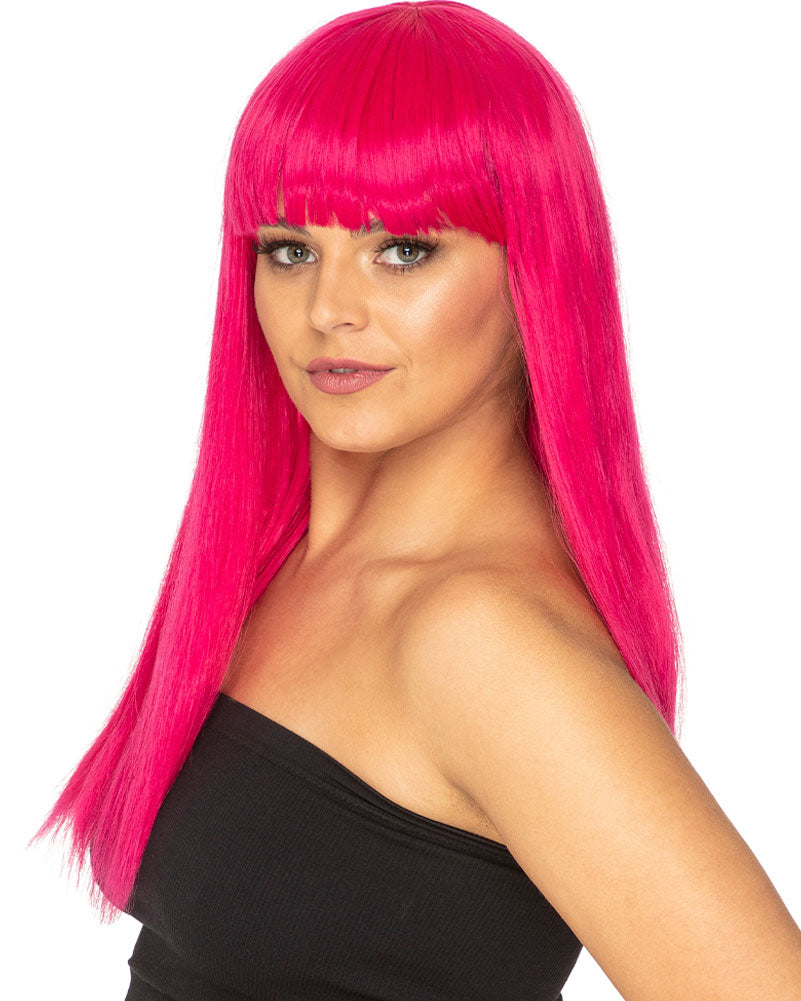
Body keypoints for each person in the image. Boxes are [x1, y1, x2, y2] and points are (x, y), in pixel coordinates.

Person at [30, 2, 801, 999]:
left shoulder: (482, 639)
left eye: (402, 249)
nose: (328, 309)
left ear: (533, 269)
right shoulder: (287, 558)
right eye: (289, 248)